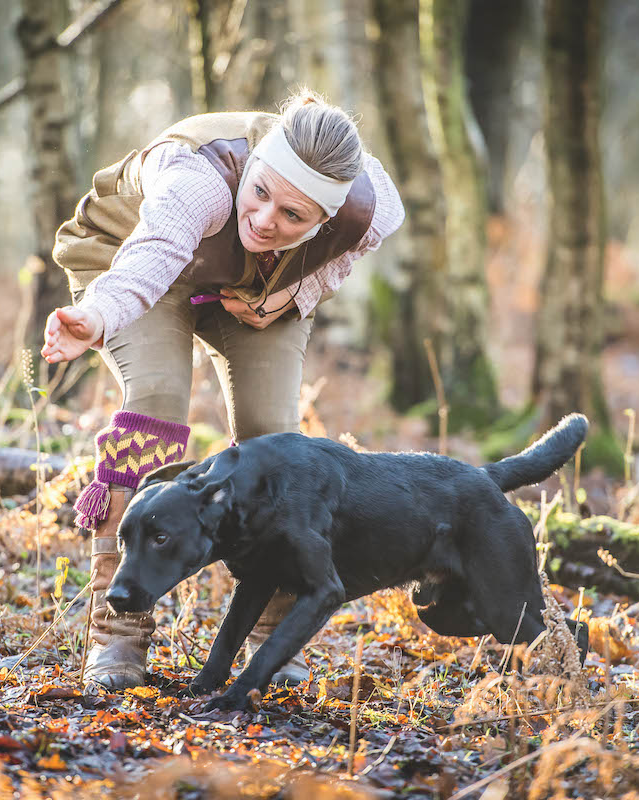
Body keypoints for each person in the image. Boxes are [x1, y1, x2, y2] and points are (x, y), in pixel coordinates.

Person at [41, 89, 405, 691]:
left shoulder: (372, 206)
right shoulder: (197, 180)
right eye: (261, 193)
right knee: (155, 406)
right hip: (134, 267)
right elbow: (151, 258)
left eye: (294, 216)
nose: (265, 220)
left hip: (257, 286)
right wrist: (97, 316)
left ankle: (273, 630)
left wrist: (294, 296)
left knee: (276, 440)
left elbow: (340, 260)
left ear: (324, 217)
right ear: (255, 163)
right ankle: (117, 632)